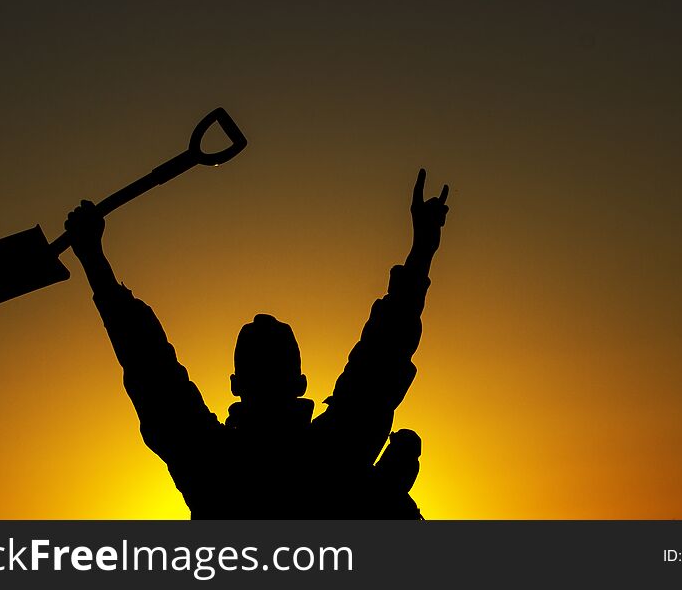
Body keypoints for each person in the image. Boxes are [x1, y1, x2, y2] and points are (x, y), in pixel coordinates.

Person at [65, 169, 449, 518]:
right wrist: (422, 252)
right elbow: (381, 358)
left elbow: (151, 369)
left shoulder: (210, 464)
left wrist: (95, 261)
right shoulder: (334, 454)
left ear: (235, 385)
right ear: (299, 384)